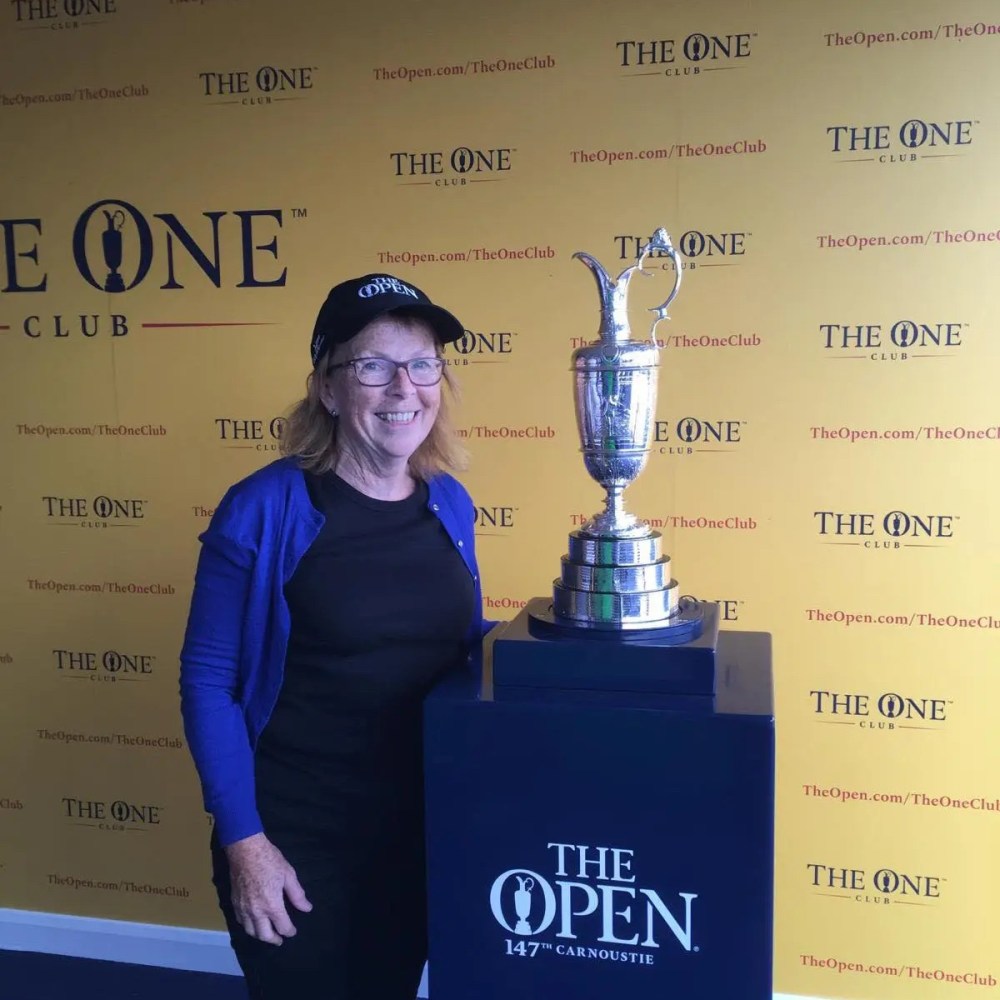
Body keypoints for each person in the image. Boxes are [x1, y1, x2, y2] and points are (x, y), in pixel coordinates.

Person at [179, 273, 493, 1000]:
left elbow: (457, 644)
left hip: (416, 832)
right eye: (372, 366)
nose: (402, 389)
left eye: (422, 365)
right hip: (296, 837)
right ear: (326, 387)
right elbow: (208, 682)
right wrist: (245, 845)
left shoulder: (450, 502)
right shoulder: (261, 508)